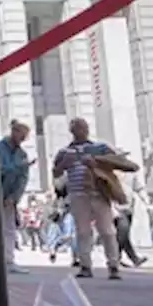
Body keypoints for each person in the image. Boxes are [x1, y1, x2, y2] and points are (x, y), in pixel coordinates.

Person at [52, 117, 120, 280]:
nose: (80, 131)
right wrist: (63, 165)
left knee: (107, 231)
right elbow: (55, 173)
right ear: (71, 131)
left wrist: (96, 162)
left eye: (82, 128)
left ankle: (113, 265)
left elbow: (117, 162)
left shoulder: (99, 147)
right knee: (82, 231)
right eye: (76, 128)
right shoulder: (64, 151)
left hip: (99, 193)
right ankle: (85, 265)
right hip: (77, 194)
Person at [0, 120, 33, 275]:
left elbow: (23, 179)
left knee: (9, 229)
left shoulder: (22, 154)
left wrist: (14, 197)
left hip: (9, 197)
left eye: (25, 137)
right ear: (14, 132)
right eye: (21, 135)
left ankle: (8, 260)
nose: (22, 140)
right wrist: (19, 167)